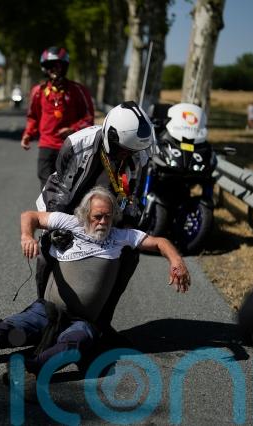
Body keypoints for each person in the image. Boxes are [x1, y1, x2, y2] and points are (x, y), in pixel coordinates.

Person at [0, 187, 190, 397]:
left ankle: (27, 370)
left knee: (74, 346)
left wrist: (176, 260)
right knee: (1, 332)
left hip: (81, 322)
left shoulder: (120, 237)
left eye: (108, 216)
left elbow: (159, 242)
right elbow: (30, 216)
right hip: (45, 313)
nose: (103, 222)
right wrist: (27, 235)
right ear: (86, 215)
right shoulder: (70, 223)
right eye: (97, 216)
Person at [34, 100, 155, 332]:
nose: (125, 155)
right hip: (68, 204)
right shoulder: (77, 144)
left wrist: (130, 225)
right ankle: (41, 311)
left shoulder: (140, 154)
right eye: (122, 149)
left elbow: (134, 197)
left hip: (108, 211)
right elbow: (60, 190)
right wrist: (58, 226)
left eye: (131, 152)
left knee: (130, 256)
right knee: (48, 248)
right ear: (110, 135)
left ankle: (102, 321)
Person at [20, 46, 95, 190]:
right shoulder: (38, 92)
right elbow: (33, 117)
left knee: (68, 187)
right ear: (45, 69)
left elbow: (88, 118)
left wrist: (72, 129)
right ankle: (48, 205)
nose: (54, 69)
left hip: (71, 146)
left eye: (58, 65)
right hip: (46, 146)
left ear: (65, 67)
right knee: (46, 185)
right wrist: (28, 134)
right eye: (50, 66)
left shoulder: (78, 90)